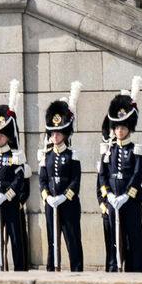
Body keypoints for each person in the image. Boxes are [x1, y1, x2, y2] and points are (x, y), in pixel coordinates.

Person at [99, 84, 142, 273]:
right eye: (117, 127)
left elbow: (138, 174)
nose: (119, 131)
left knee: (134, 236)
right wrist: (108, 194)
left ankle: (136, 269)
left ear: (129, 128)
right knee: (113, 237)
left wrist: (127, 195)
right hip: (113, 200)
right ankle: (113, 267)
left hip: (131, 201)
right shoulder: (109, 150)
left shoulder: (136, 150)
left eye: (123, 127)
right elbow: (103, 174)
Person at [0, 83, 29, 271]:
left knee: (15, 238)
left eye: (1, 135)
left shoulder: (14, 156)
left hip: (10, 203)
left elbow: (18, 180)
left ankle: (19, 268)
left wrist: (7, 195)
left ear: (8, 136)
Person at [39, 84, 83, 272]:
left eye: (58, 133)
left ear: (64, 134)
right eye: (53, 133)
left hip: (69, 203)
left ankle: (76, 269)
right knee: (52, 240)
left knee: (72, 239)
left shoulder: (72, 155)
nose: (55, 136)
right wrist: (47, 196)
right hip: (51, 203)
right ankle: (52, 269)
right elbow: (42, 179)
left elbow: (75, 180)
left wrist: (65, 196)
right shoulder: (46, 155)